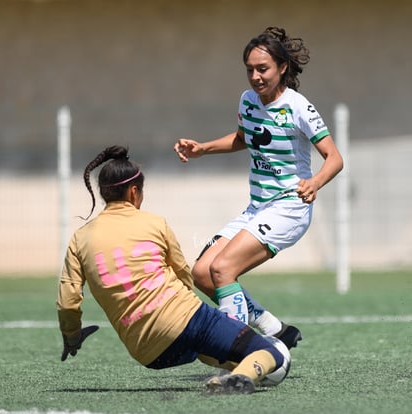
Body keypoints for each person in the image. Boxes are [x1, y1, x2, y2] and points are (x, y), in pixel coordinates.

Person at [56, 145, 288, 395]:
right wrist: (192, 317)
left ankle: (232, 370)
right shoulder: (154, 223)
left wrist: (72, 336)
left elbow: (68, 302)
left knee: (207, 349)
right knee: (273, 354)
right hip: (188, 320)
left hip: (148, 352)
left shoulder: (79, 239)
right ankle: (242, 377)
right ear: (134, 192)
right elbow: (183, 275)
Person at [174, 26, 344, 345]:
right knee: (202, 273)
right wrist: (203, 148)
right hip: (257, 207)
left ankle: (235, 351)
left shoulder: (298, 107)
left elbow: (334, 157)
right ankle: (274, 329)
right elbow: (243, 139)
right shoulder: (248, 100)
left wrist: (316, 182)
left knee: (223, 268)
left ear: (282, 68)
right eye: (250, 69)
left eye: (262, 69)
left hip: (289, 208)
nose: (255, 76)